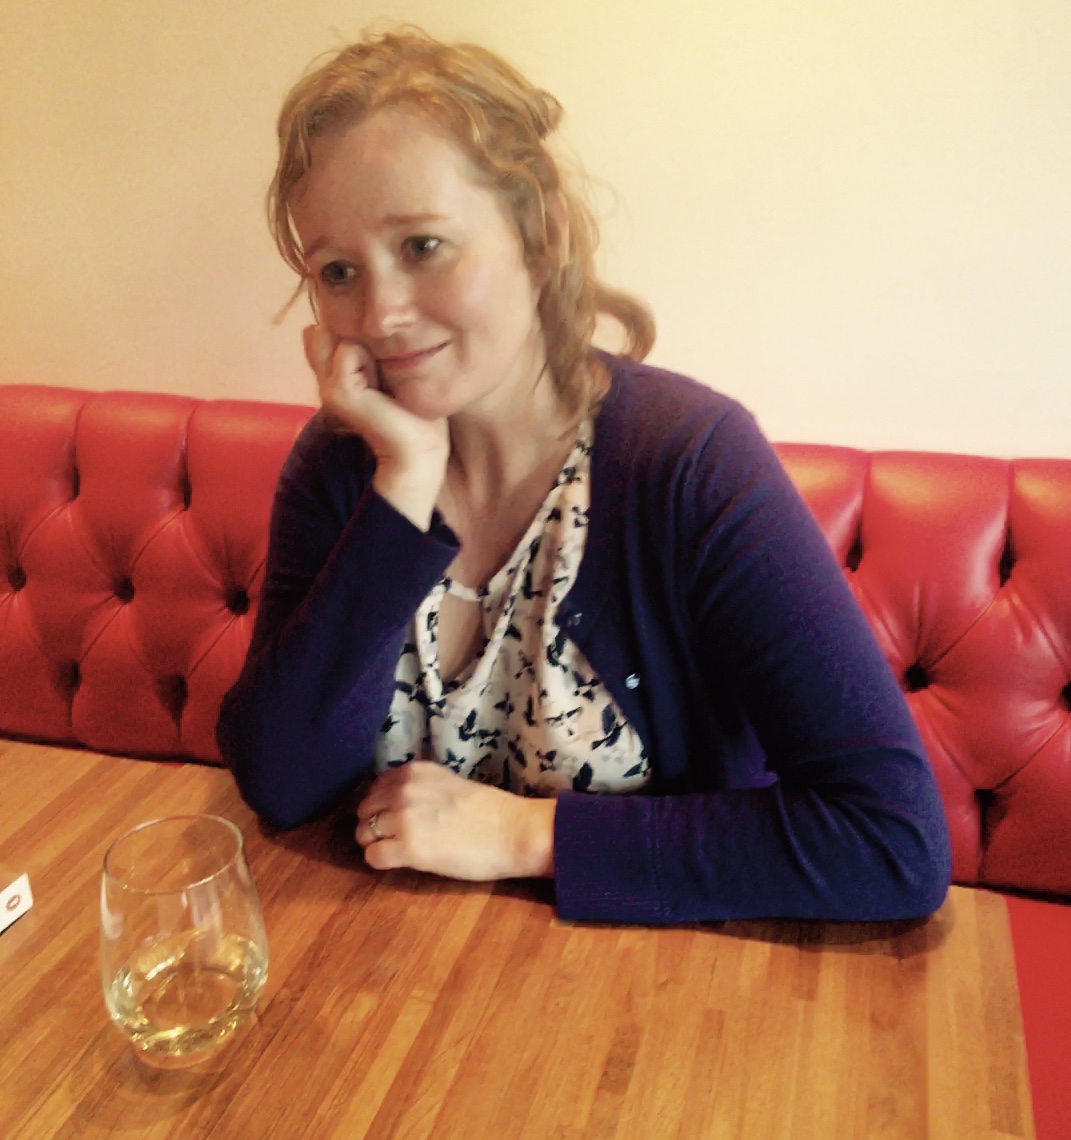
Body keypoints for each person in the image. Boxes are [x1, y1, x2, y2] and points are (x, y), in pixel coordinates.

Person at [217, 27, 951, 926]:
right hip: (394, 999)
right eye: (338, 271)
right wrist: (401, 485)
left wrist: (524, 836)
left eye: (422, 247)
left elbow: (889, 840)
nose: (381, 314)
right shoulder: (341, 465)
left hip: (646, 1011)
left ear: (540, 235)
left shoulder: (687, 462)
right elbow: (281, 782)